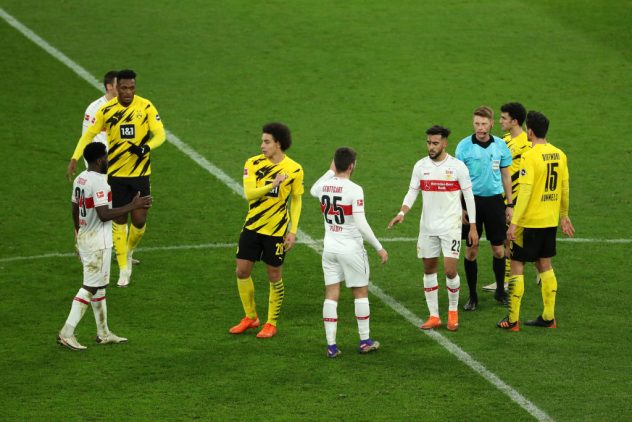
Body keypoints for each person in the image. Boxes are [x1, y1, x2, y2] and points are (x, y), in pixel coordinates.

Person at [66, 69, 166, 287]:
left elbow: (160, 134)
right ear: (116, 88)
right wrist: (75, 157)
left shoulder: (145, 106)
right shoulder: (106, 110)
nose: (128, 92)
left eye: (132, 88)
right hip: (115, 175)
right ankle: (123, 269)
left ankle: (128, 252)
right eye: (124, 88)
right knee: (119, 220)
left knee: (139, 221)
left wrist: (146, 147)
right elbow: (89, 134)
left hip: (140, 173)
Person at [57, 142, 152, 350]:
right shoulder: (100, 182)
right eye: (106, 157)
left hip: (85, 236)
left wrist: (78, 235)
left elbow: (74, 209)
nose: (108, 160)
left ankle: (103, 333)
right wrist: (133, 205)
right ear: (100, 159)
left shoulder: (81, 178)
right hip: (97, 242)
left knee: (99, 286)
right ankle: (66, 333)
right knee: (90, 287)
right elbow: (104, 214)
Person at [388, 126, 478, 332]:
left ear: (445, 143)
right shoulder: (420, 166)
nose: (431, 147)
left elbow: (469, 196)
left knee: (450, 271)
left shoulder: (457, 167)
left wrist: (473, 226)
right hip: (427, 228)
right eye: (429, 142)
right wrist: (402, 212)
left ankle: (453, 312)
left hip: (451, 227)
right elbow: (412, 191)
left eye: (435, 143)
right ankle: (434, 315)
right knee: (429, 270)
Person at [497, 111, 574, 331]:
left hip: (529, 222)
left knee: (516, 266)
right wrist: (563, 215)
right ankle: (549, 317)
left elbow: (526, 192)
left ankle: (512, 320)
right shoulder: (560, 154)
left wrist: (514, 223)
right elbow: (564, 188)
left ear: (529, 131)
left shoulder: (529, 156)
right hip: (549, 221)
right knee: (544, 265)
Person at [229, 123, 304, 339]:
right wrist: (273, 184)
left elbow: (296, 199)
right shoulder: (253, 163)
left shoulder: (294, 169)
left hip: (276, 231)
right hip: (252, 227)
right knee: (242, 271)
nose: (262, 145)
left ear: (278, 143)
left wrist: (293, 231)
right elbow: (249, 194)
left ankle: (271, 323)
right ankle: (251, 317)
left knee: (274, 275)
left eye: (267, 142)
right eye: (262, 141)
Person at [311, 147, 388, 357]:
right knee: (360, 293)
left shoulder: (323, 186)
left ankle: (331, 346)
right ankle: (365, 341)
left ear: (335, 164)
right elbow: (361, 224)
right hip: (351, 249)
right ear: (352, 166)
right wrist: (379, 247)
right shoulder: (355, 189)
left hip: (329, 249)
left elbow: (313, 190)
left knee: (331, 294)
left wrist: (330, 172)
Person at [455, 106, 513, 310]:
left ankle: (500, 291)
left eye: (484, 124)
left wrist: (510, 204)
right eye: (477, 124)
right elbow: (457, 181)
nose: (480, 128)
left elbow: (506, 176)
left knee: (498, 250)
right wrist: (460, 207)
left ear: (491, 124)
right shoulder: (463, 147)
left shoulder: (500, 146)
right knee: (472, 250)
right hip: (471, 203)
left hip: (495, 202)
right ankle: (472, 296)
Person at [483, 102, 533, 292]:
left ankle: (506, 281)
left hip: (517, 200)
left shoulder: (527, 144)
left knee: (511, 240)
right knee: (506, 240)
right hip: (501, 198)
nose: (500, 121)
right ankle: (537, 268)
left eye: (504, 118)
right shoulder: (503, 140)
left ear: (515, 121)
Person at [80, 70, 118, 167]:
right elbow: (86, 138)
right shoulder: (95, 109)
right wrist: (91, 167)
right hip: (103, 165)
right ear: (109, 86)